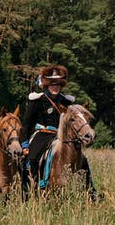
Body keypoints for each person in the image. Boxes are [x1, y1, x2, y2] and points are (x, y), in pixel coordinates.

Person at [21, 65, 98, 199]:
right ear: (46, 85)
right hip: (43, 134)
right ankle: (28, 191)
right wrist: (25, 144)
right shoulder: (37, 100)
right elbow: (27, 125)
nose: (55, 87)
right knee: (32, 158)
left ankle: (91, 191)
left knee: (83, 160)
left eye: (58, 84)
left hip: (62, 135)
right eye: (52, 84)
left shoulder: (66, 101)